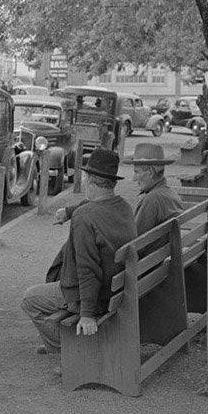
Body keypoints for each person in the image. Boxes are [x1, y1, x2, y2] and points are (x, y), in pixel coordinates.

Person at [21, 147, 135, 356]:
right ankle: (64, 345)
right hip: (116, 289)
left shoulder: (85, 217)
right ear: (112, 181)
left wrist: (87, 315)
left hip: (94, 296)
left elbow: (87, 269)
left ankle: (68, 353)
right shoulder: (124, 206)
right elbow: (97, 205)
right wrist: (69, 211)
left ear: (89, 179)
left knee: (30, 299)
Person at [54, 141, 182, 236]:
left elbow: (133, 240)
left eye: (137, 172)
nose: (134, 178)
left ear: (150, 172)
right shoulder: (169, 194)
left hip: (140, 268)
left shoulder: (153, 200)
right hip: (155, 262)